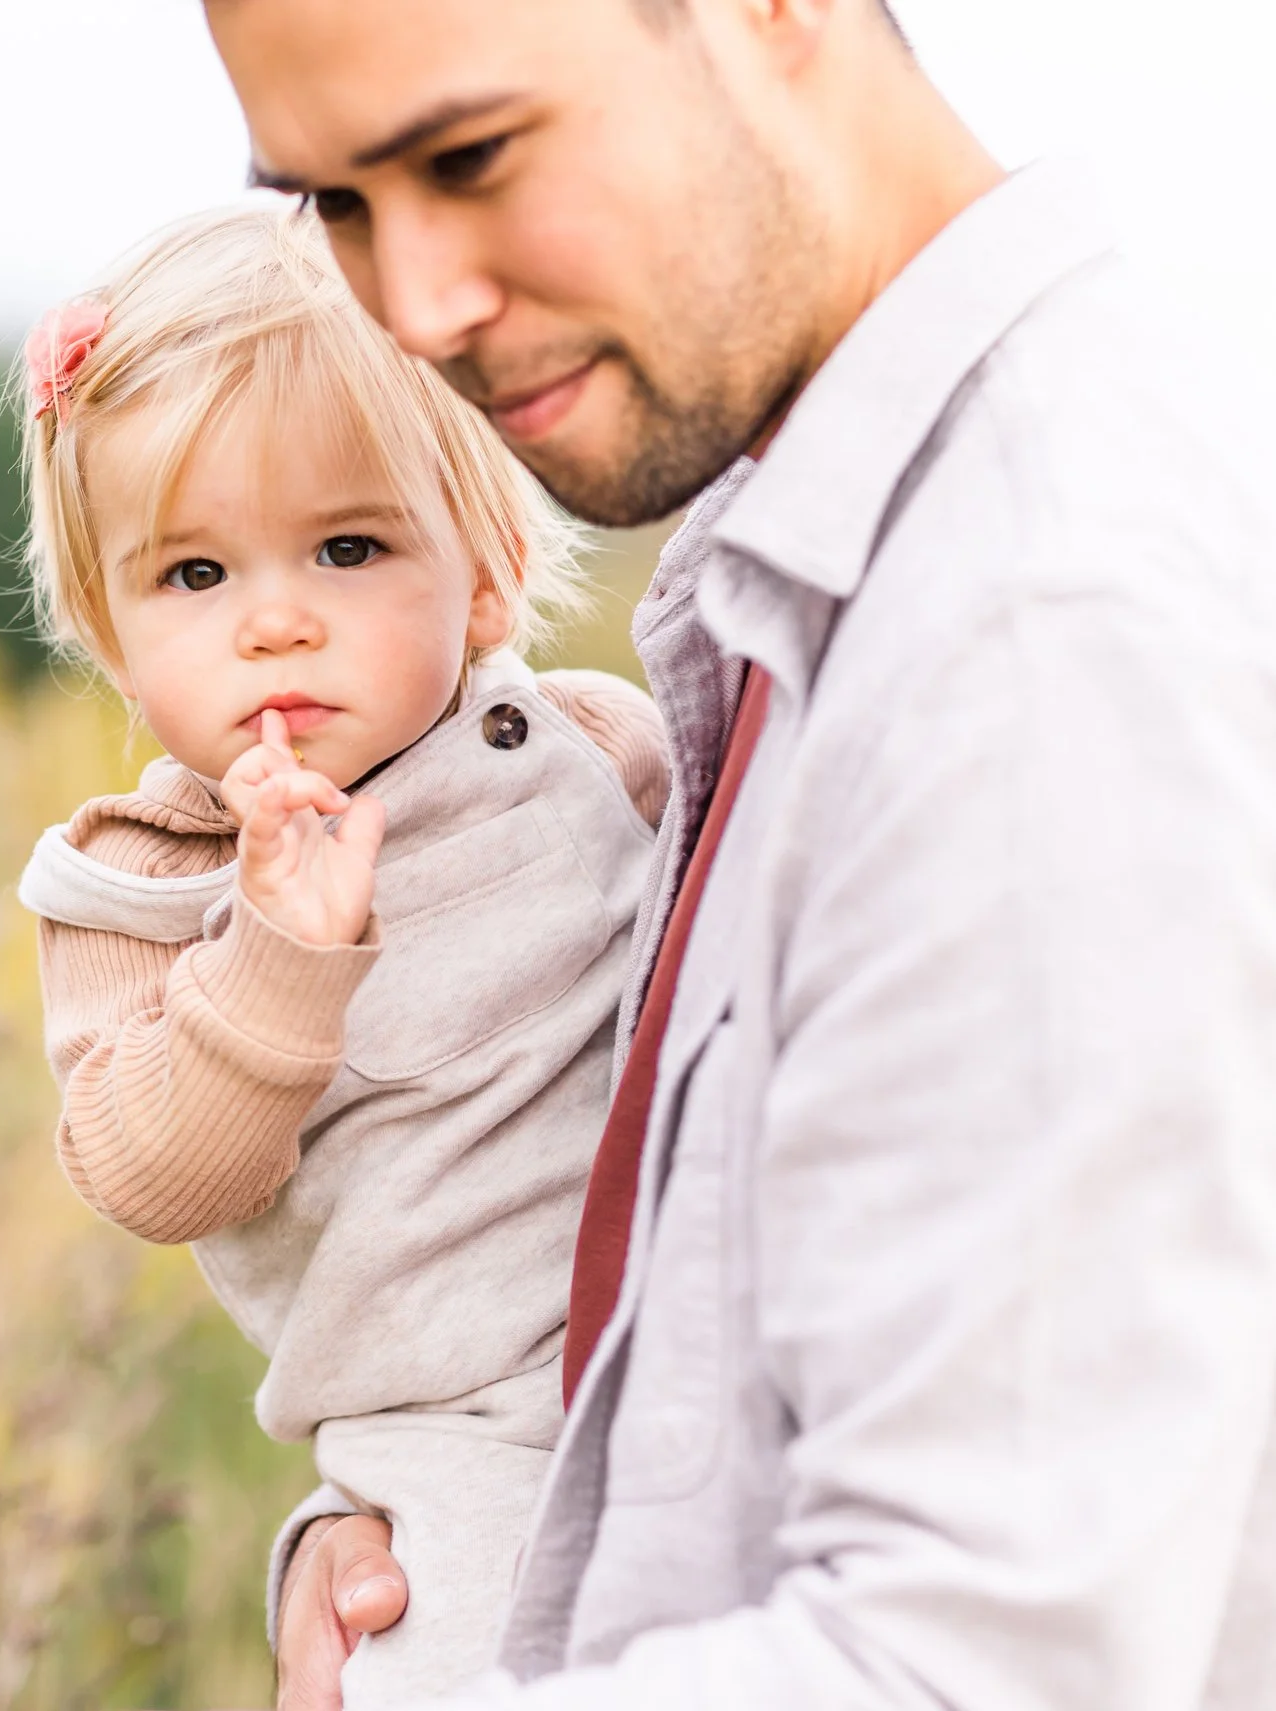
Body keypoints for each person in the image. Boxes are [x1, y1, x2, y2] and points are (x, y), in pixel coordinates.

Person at [190, 0, 1276, 1706]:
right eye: (335, 203)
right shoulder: (833, 555)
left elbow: (974, 1659)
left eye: (469, 157)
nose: (414, 309)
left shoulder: (1034, 623)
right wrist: (438, 1528)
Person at [12, 206, 667, 1698]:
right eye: (195, 576)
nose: (275, 622)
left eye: (348, 546)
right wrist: (280, 955)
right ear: (112, 632)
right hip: (460, 1440)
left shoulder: (585, 747)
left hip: (697, 1330)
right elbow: (151, 1171)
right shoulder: (140, 884)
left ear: (487, 578)